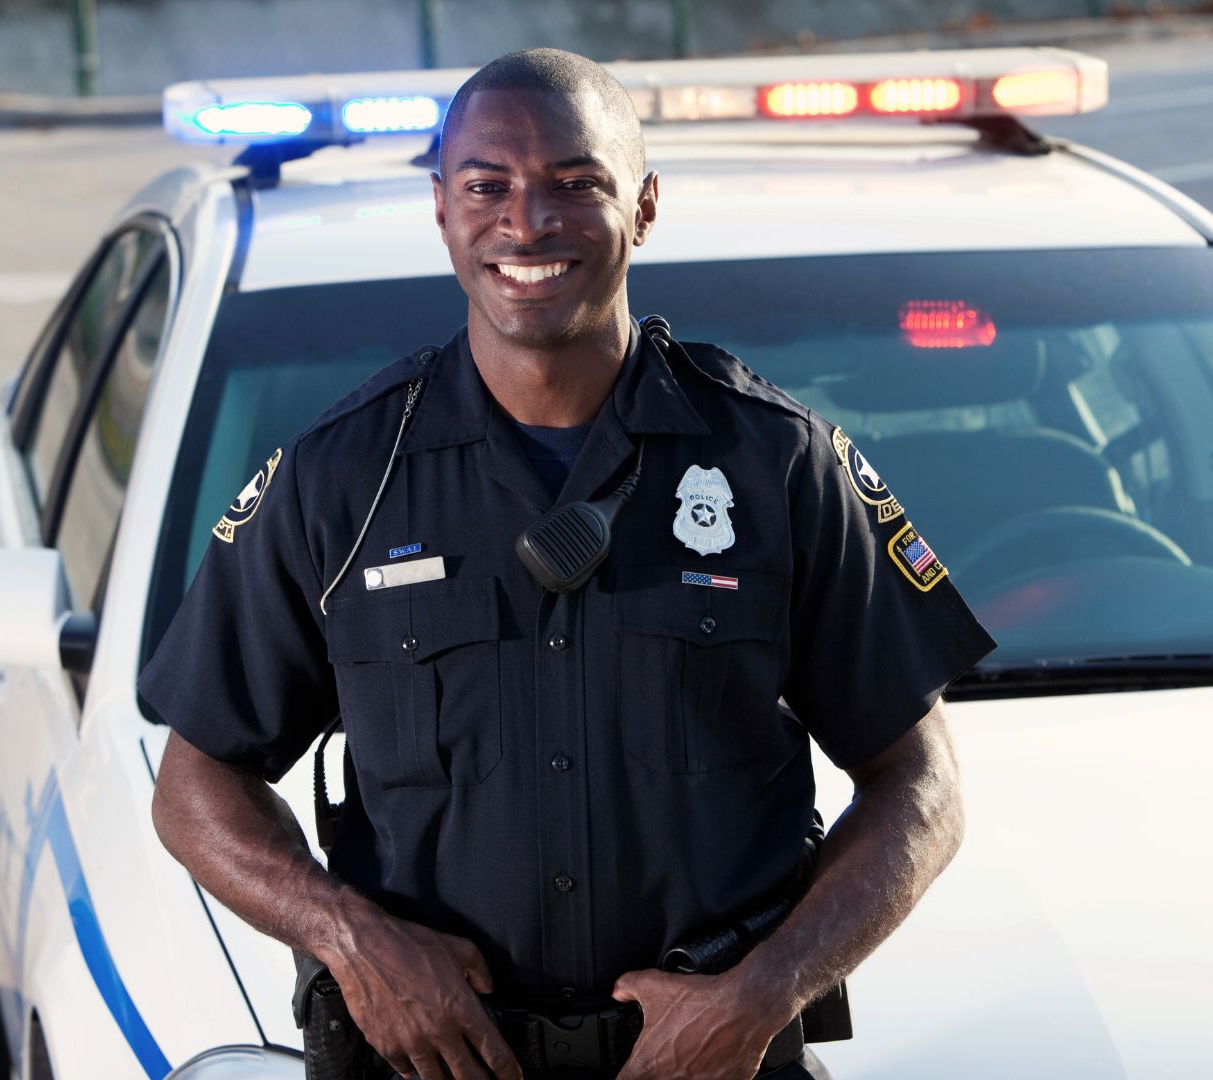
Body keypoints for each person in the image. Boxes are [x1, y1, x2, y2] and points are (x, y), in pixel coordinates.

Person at [140, 47, 995, 1080]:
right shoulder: (341, 480)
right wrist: (353, 942)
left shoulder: (774, 466)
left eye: (575, 184)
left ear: (642, 207)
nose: (527, 221)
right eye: (487, 186)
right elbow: (194, 786)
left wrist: (764, 996)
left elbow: (921, 785)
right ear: (444, 211)